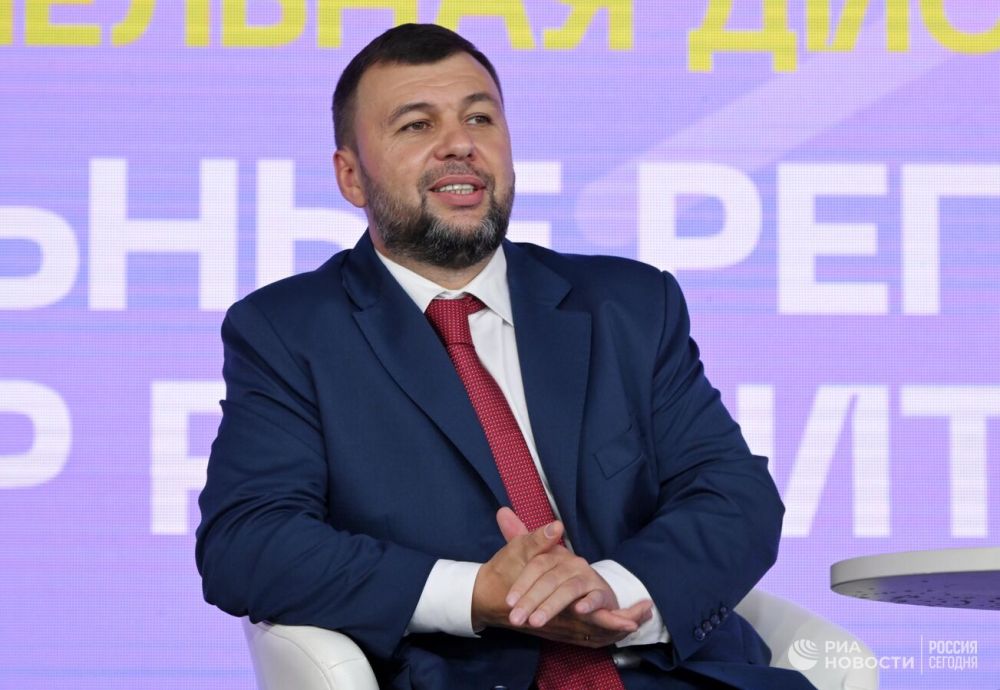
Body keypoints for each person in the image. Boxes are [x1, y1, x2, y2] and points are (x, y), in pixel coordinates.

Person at [196, 23, 813, 690]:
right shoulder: (289, 332)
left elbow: (735, 496)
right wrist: (478, 594)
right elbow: (249, 542)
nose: (459, 144)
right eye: (416, 125)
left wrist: (612, 588)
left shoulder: (630, 306)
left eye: (479, 118)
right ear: (351, 176)